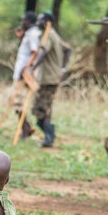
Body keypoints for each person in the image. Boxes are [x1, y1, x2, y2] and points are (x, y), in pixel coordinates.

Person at [29, 12, 72, 148]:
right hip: (51, 77)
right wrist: (62, 68)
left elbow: (44, 52)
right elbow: (68, 49)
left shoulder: (48, 35)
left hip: (48, 78)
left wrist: (33, 67)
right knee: (44, 107)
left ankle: (49, 137)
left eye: (41, 20)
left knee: (41, 108)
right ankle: (49, 136)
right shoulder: (55, 35)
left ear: (47, 22)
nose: (38, 23)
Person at [10, 11, 40, 140]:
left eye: (24, 20)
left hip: (24, 74)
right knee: (15, 101)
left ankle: (26, 128)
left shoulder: (33, 34)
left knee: (16, 101)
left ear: (28, 21)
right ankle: (26, 127)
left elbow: (34, 52)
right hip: (22, 72)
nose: (22, 22)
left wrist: (26, 68)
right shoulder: (29, 33)